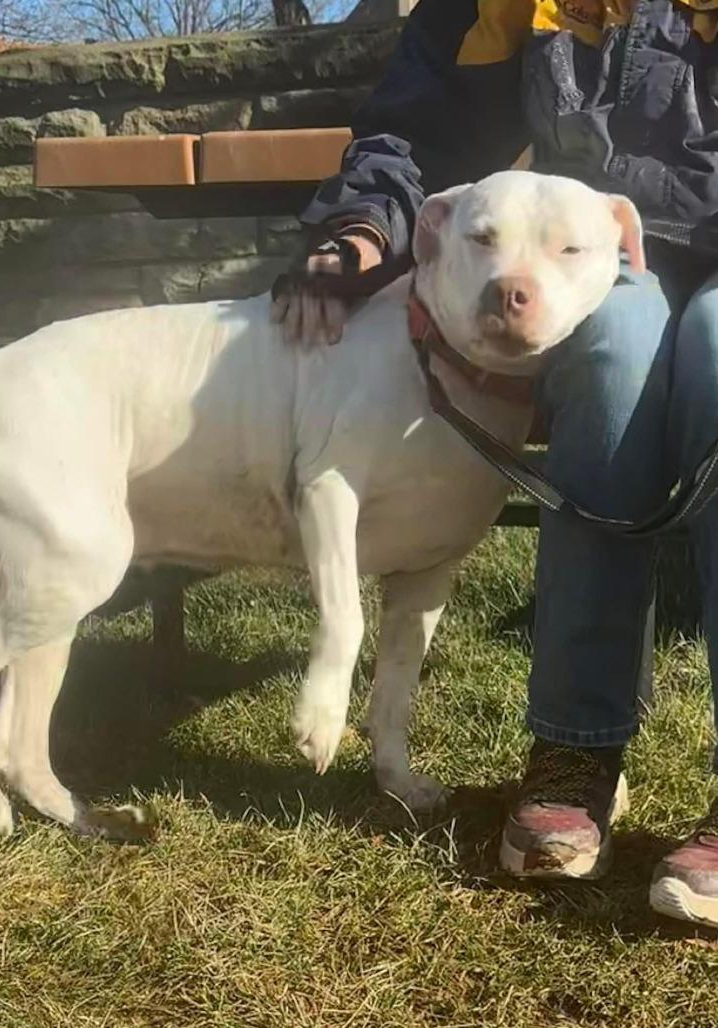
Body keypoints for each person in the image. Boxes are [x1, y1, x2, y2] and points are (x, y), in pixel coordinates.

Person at [273, 0, 718, 927]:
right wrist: (362, 227)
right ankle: (576, 752)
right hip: (589, 261)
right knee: (614, 352)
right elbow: (415, 128)